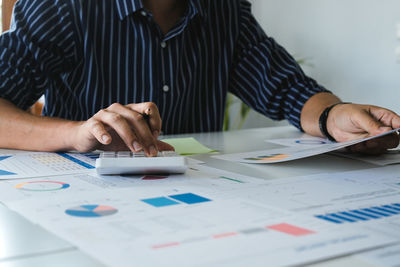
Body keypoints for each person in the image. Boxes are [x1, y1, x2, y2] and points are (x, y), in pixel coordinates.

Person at [0, 0, 398, 157]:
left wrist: (333, 116)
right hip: (84, 212)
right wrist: (76, 133)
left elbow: (285, 88)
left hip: (205, 209)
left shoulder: (223, 10)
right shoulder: (61, 7)